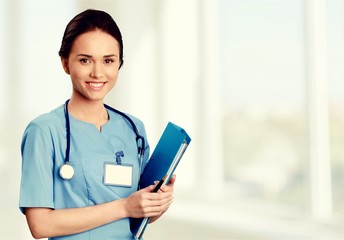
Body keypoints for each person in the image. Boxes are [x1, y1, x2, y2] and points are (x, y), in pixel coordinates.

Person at [19, 9, 175, 240]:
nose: (97, 72)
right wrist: (124, 207)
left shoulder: (133, 129)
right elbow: (40, 225)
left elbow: (138, 215)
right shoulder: (44, 131)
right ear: (65, 63)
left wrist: (157, 202)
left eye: (108, 61)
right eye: (85, 60)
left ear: (119, 64)